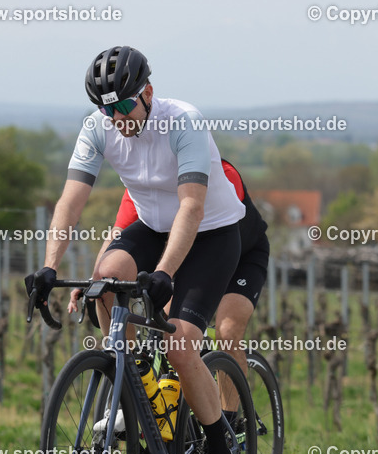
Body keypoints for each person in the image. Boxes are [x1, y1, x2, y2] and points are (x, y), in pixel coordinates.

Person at [28, 45, 245, 454]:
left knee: (181, 342)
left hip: (210, 233)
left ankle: (221, 452)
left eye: (124, 105)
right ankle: (133, 389)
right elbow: (70, 203)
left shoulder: (182, 121)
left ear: (147, 93)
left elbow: (192, 205)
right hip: (150, 225)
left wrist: (166, 272)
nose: (116, 116)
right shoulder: (99, 128)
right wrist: (49, 266)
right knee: (105, 279)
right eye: (106, 109)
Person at [71, 158, 269, 380]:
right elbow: (118, 234)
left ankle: (230, 415)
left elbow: (213, 241)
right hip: (189, 259)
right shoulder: (145, 186)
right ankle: (140, 390)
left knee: (227, 332)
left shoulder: (222, 174)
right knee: (167, 324)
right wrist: (95, 279)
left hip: (241, 256)